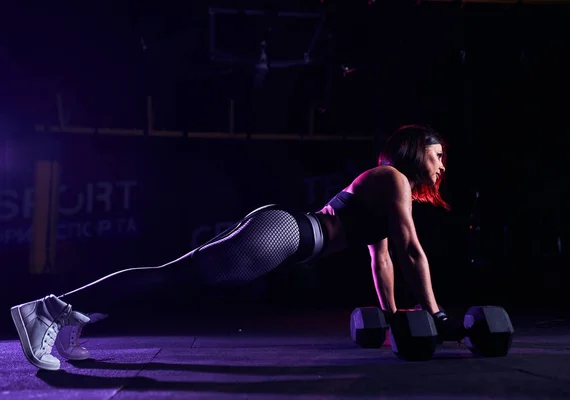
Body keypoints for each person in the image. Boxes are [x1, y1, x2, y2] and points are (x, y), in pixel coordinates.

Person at [10, 124, 462, 371]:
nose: (442, 165)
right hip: (286, 233)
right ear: (413, 150)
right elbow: (411, 252)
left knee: (176, 278)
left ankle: (66, 319)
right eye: (437, 155)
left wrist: (390, 317)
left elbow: (382, 257)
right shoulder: (392, 179)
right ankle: (49, 310)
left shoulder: (385, 188)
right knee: (172, 277)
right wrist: (437, 315)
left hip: (284, 233)